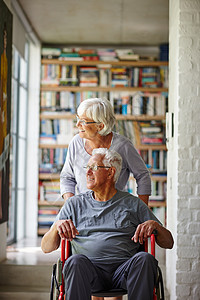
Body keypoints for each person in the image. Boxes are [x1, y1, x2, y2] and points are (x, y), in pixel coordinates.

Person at [42, 148, 174, 300]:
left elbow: (169, 243)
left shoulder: (133, 204)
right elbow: (46, 247)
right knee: (75, 261)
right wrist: (57, 227)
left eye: (94, 168)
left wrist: (156, 226)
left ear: (110, 173)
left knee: (145, 259)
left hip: (124, 272)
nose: (88, 172)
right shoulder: (74, 204)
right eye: (87, 168)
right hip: (88, 272)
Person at [60, 97, 151, 207]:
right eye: (77, 119)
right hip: (82, 210)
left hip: (114, 210)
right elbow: (67, 177)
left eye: (83, 121)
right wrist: (71, 206)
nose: (77, 124)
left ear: (100, 125)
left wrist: (142, 210)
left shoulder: (123, 146)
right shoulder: (75, 143)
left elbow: (143, 176)